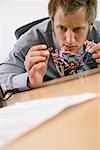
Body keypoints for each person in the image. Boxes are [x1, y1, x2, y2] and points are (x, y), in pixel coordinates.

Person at [0, 0, 100, 99]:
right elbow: (2, 79)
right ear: (52, 22)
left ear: (91, 24)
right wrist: (29, 81)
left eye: (78, 29)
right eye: (62, 28)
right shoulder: (28, 43)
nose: (69, 40)